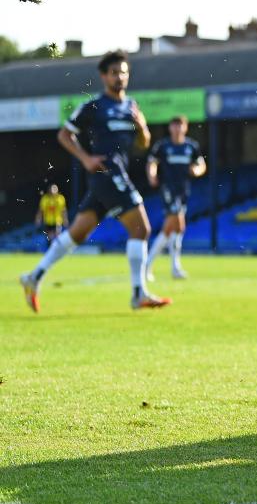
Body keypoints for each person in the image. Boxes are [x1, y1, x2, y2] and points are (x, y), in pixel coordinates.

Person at [19, 50, 171, 312]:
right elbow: (65, 135)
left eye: (123, 72)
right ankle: (138, 293)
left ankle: (34, 277)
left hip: (112, 176)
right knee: (141, 229)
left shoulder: (131, 107)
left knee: (77, 233)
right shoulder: (94, 107)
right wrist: (85, 158)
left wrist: (143, 127)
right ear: (104, 76)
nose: (120, 77)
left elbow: (143, 145)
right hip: (106, 172)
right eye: (114, 73)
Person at [145, 116, 206, 280]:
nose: (178, 129)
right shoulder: (163, 146)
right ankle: (149, 265)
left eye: (181, 126)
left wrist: (197, 171)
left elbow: (201, 165)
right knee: (176, 225)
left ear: (185, 128)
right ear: (170, 128)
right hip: (168, 189)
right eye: (175, 126)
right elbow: (152, 162)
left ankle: (173, 267)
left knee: (176, 229)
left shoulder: (191, 146)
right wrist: (152, 175)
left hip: (183, 191)